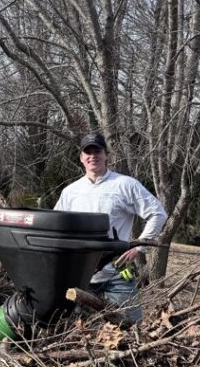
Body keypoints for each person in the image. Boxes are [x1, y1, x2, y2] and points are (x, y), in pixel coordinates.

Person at [54, 132, 166, 321]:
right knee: (75, 329)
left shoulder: (125, 185)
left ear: (106, 155)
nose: (92, 156)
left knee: (130, 326)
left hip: (118, 273)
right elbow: (56, 226)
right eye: (87, 152)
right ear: (81, 158)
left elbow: (158, 213)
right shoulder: (70, 191)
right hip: (80, 275)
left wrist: (139, 247)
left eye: (97, 150)